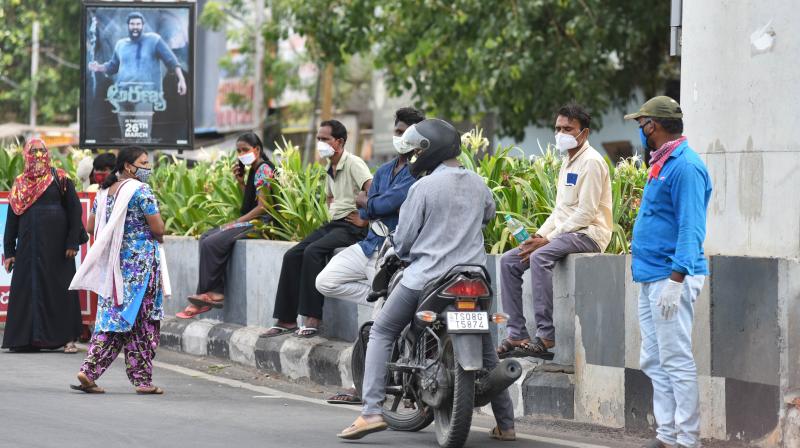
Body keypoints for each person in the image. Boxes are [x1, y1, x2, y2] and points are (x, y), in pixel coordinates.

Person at [338, 119, 516, 442]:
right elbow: (488, 216)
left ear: (428, 151)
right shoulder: (478, 183)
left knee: (382, 331)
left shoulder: (422, 188)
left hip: (427, 278)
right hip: (475, 278)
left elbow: (404, 241)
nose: (411, 157)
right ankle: (507, 425)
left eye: (416, 151)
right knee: (487, 348)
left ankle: (371, 413)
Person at [317, 107, 424, 405]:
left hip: (393, 255)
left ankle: (361, 388)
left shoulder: (419, 173)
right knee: (325, 281)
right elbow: (366, 209)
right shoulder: (385, 170)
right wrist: (371, 203)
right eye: (398, 130)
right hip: (369, 245)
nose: (399, 137)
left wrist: (370, 202)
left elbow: (381, 203)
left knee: (378, 329)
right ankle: (379, 296)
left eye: (405, 132)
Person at [625, 97, 711, 448]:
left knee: (675, 359)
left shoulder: (685, 166)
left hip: (670, 276)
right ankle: (667, 436)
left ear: (653, 127)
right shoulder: (663, 162)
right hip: (651, 275)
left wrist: (676, 280)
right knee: (654, 358)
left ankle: (687, 440)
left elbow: (691, 227)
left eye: (641, 124)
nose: (640, 132)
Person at [496, 103, 612, 359]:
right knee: (509, 261)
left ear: (584, 133)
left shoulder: (591, 163)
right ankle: (516, 333)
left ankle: (546, 335)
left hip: (589, 234)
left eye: (568, 129)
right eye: (558, 128)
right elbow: (560, 210)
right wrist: (538, 236)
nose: (561, 133)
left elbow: (587, 212)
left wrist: (547, 240)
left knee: (540, 256)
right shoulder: (567, 162)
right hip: (565, 232)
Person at [262, 120, 373, 338]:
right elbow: (331, 196)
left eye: (325, 139)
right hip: (335, 223)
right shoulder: (328, 167)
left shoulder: (354, 163)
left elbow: (374, 192)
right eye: (319, 139)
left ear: (339, 142)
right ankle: (285, 319)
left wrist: (365, 219)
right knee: (293, 254)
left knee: (313, 252)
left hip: (353, 227)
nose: (320, 143)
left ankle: (312, 317)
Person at [70, 147, 167, 394]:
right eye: (143, 163)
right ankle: (142, 380)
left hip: (113, 267)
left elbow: (91, 226)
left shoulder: (104, 192)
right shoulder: (141, 190)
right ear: (127, 166)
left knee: (113, 319)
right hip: (141, 267)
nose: (147, 167)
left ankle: (89, 371)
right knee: (143, 321)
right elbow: (158, 229)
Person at [177, 132, 276, 318]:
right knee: (206, 237)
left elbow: (264, 207)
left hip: (261, 223)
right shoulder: (255, 169)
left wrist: (238, 222)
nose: (241, 154)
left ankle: (212, 295)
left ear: (257, 149)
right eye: (238, 151)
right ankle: (208, 293)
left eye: (245, 150)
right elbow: (255, 199)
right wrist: (241, 183)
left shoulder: (263, 169)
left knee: (211, 242)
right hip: (253, 220)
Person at [2, 138, 83, 354]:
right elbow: (12, 219)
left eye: (41, 151)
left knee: (61, 290)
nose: (38, 155)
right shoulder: (20, 183)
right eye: (33, 151)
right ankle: (27, 340)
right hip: (29, 247)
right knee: (29, 290)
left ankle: (68, 340)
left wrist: (72, 241)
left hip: (58, 248)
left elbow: (75, 212)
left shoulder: (61, 178)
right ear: (26, 154)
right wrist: (9, 251)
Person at [88, 12, 187, 141]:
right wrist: (99, 67)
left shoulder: (154, 40)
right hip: (123, 95)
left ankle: (143, 159)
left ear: (143, 26)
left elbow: (171, 60)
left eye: (138, 24)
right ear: (128, 26)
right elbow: (113, 66)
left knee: (143, 135)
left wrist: (181, 79)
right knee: (126, 137)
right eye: (133, 24)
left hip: (144, 95)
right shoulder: (121, 44)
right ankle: (128, 160)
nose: (135, 27)